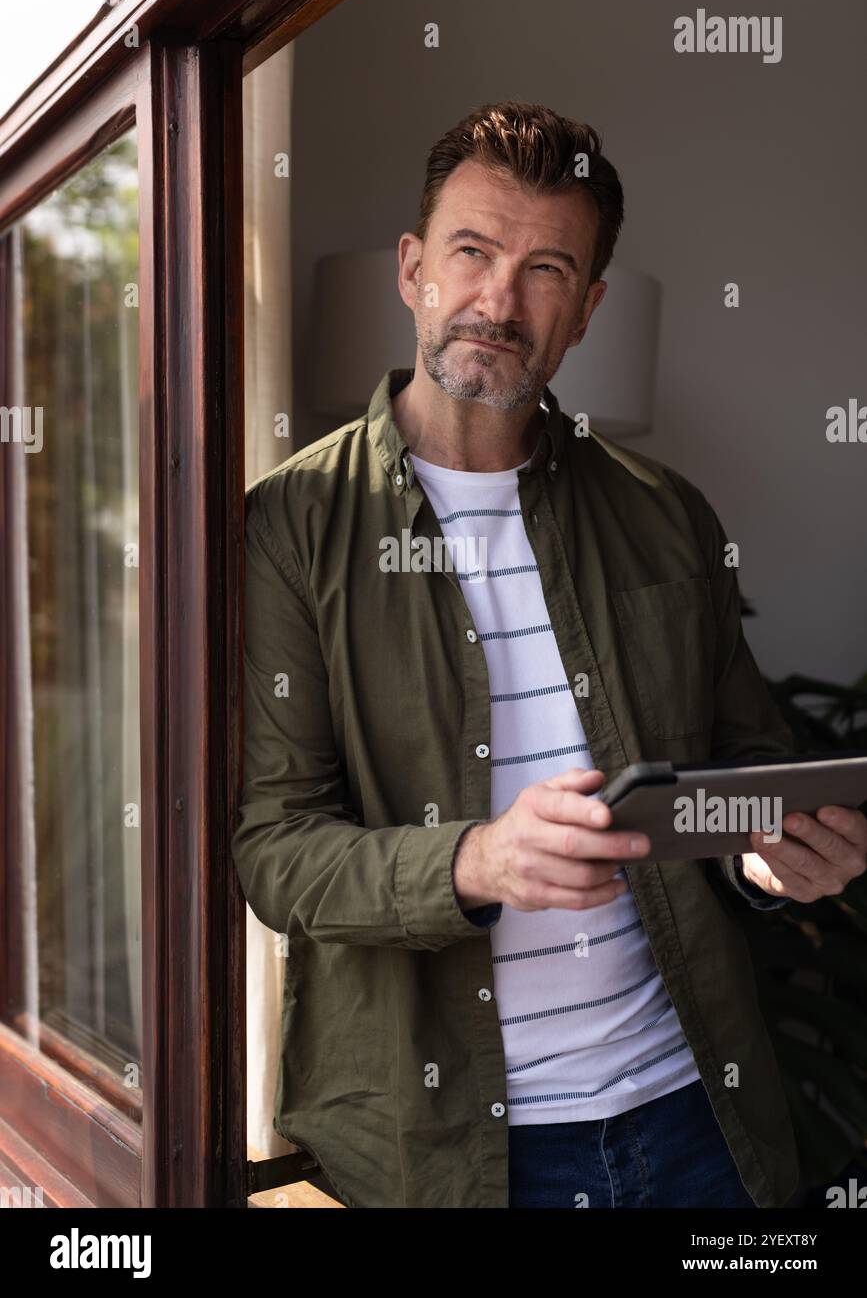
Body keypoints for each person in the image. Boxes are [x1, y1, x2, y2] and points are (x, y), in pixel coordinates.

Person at [232, 101, 867, 1209]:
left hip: (695, 1120)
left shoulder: (669, 516)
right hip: (443, 1156)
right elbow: (273, 853)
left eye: (547, 269)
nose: (498, 299)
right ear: (412, 267)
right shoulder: (289, 524)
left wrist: (771, 858)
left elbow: (739, 773)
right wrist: (473, 863)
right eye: (472, 252)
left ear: (587, 310)